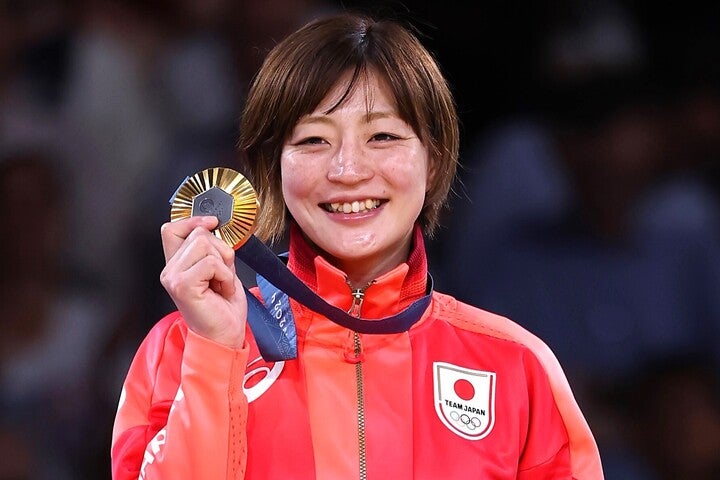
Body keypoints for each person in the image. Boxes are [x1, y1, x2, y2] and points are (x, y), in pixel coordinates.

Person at [111, 11, 604, 479]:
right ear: (273, 169)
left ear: (432, 163)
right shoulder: (181, 349)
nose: (347, 170)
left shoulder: (516, 364)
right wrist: (215, 353)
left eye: (383, 136)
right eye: (313, 141)